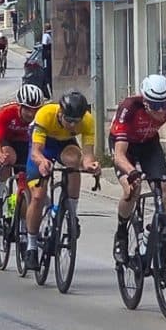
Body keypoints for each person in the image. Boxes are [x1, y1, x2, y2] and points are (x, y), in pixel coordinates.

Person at [110, 75, 166, 264]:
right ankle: (121, 234)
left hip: (149, 144)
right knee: (132, 189)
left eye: (164, 105)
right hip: (124, 146)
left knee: (163, 188)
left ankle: (163, 237)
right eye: (155, 105)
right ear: (145, 102)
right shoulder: (129, 107)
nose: (161, 111)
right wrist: (132, 172)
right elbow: (119, 155)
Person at [24, 90, 100, 271]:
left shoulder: (87, 121)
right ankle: (31, 246)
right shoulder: (45, 114)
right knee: (38, 196)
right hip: (43, 146)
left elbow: (87, 156)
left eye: (76, 121)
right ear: (60, 113)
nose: (72, 125)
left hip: (65, 145)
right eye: (69, 120)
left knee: (74, 162)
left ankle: (72, 213)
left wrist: (91, 165)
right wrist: (42, 162)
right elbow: (36, 152)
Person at [0, 83, 45, 218]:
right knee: (8, 158)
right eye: (27, 109)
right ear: (20, 106)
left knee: (25, 187)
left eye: (35, 110)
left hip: (28, 146)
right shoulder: (6, 113)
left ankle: (16, 216)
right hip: (7, 142)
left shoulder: (42, 116)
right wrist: (0, 156)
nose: (31, 114)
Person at [41, 22, 53, 97]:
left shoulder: (46, 35)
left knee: (47, 76)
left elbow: (44, 45)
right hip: (48, 58)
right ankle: (48, 92)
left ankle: (48, 93)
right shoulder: (49, 35)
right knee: (47, 76)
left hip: (47, 58)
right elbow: (45, 45)